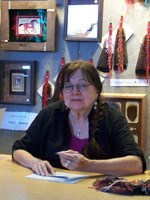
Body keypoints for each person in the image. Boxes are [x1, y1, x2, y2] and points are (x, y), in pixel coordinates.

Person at [12, 60, 146, 177]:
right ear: (62, 92)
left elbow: (136, 164)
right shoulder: (50, 113)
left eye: (82, 85)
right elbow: (19, 150)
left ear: (97, 90)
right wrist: (35, 162)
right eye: (68, 86)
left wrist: (88, 166)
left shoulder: (112, 117)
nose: (75, 92)